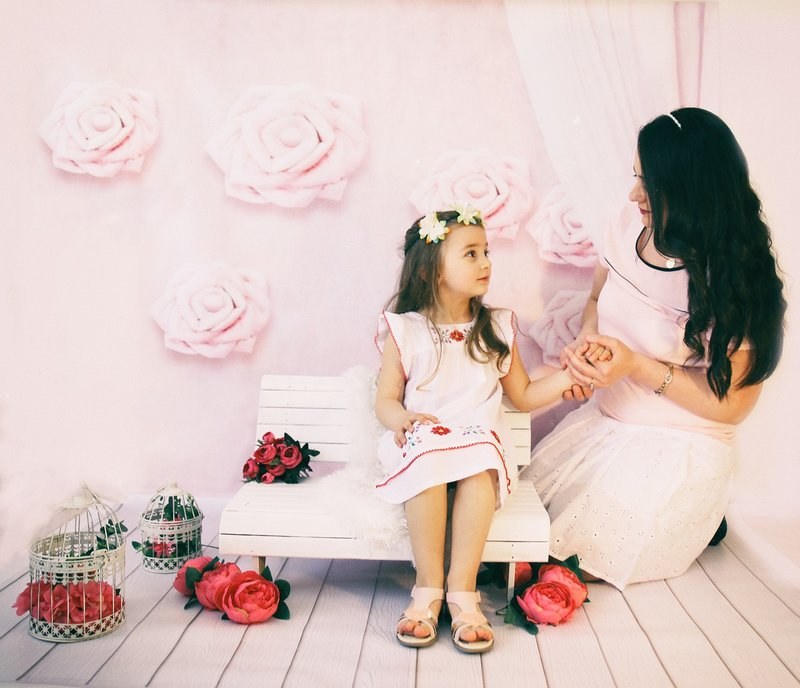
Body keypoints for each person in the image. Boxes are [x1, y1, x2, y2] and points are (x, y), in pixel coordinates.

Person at [528, 107, 786, 589]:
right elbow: (596, 297)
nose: (634, 195)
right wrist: (589, 342)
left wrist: (636, 365)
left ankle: (700, 515)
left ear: (694, 192)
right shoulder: (628, 224)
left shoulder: (733, 277)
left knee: (577, 560)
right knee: (516, 536)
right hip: (605, 424)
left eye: (652, 186)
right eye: (636, 178)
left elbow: (731, 406)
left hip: (678, 446)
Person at [374, 205, 577, 652]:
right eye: (470, 254)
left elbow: (522, 394)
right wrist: (401, 419)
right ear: (432, 271)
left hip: (477, 440)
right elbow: (386, 398)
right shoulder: (405, 331)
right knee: (426, 465)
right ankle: (428, 590)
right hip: (424, 438)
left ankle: (463, 593)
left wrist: (567, 379)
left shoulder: (496, 326)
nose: (486, 262)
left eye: (486, 252)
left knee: (481, 465)